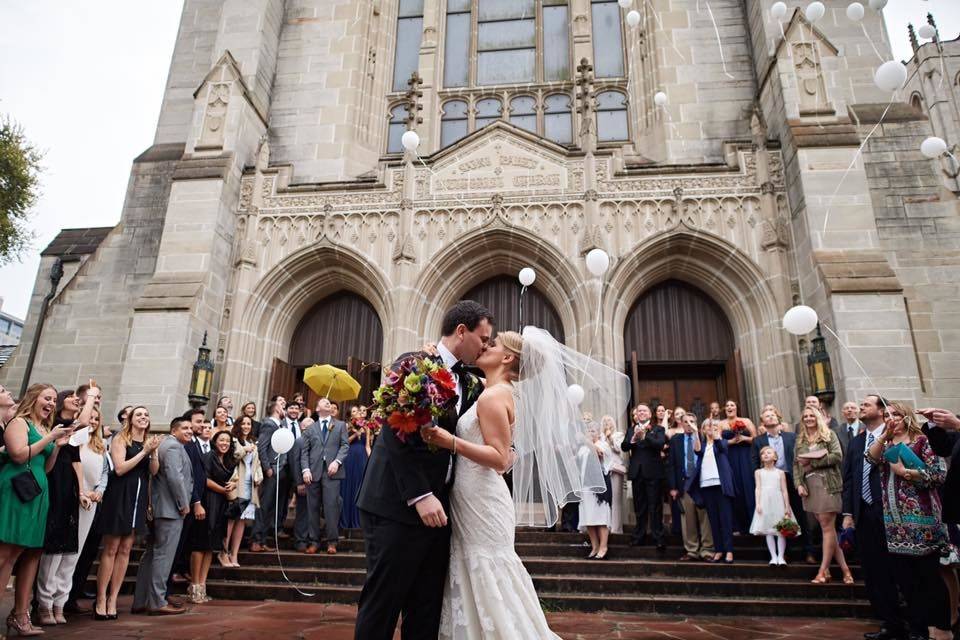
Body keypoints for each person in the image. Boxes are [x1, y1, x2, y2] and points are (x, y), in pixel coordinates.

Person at [422, 327, 625, 639]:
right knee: (480, 569)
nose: (485, 347)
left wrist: (450, 441)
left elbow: (500, 458)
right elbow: (508, 455)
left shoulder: (493, 396)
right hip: (474, 495)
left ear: (506, 357)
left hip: (481, 498)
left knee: (488, 570)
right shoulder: (493, 391)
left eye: (493, 344)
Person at [354, 300, 493, 640]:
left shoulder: (472, 383)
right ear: (461, 331)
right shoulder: (413, 364)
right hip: (397, 505)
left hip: (442, 511)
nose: (486, 346)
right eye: (483, 338)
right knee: (383, 603)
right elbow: (396, 432)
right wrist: (420, 494)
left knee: (426, 608)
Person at [867, 401, 952, 640]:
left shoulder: (922, 440)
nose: (890, 418)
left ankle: (942, 628)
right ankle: (918, 630)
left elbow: (938, 474)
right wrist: (884, 436)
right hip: (894, 525)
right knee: (906, 582)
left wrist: (906, 472)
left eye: (895, 414)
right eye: (886, 415)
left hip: (922, 522)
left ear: (906, 417)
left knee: (929, 580)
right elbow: (870, 459)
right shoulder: (885, 444)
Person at [0, 384, 74, 636]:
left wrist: (58, 445)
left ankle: (19, 617)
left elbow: (48, 466)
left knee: (19, 554)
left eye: (54, 400)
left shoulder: (44, 428)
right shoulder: (20, 423)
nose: (52, 403)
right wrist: (50, 438)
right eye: (48, 398)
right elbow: (19, 455)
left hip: (38, 493)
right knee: (4, 555)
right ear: (34, 398)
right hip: (16, 490)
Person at [842, 394, 908, 640]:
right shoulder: (857, 443)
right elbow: (849, 479)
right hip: (864, 513)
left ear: (882, 411)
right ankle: (890, 623)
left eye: (866, 404)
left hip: (891, 511)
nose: (861, 407)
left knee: (899, 568)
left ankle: (915, 622)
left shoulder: (895, 436)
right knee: (874, 571)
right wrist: (848, 513)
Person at [35, 385, 100, 624]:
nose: (76, 400)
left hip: (68, 484)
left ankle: (58, 603)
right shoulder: (55, 424)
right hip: (52, 480)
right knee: (52, 548)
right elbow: (82, 422)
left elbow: (76, 460)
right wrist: (91, 396)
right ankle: (42, 603)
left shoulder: (73, 431)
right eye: (72, 397)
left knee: (68, 549)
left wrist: (82, 488)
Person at [95, 406, 161, 620]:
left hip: (139, 498)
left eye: (146, 415)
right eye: (139, 414)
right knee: (111, 548)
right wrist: (143, 451)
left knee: (125, 549)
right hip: (120, 494)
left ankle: (113, 597)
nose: (143, 417)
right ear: (130, 419)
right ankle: (101, 598)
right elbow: (120, 468)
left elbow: (154, 471)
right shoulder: (120, 438)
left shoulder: (148, 442)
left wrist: (153, 452)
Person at [131, 418, 193, 616]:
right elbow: (175, 476)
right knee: (163, 557)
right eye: (185, 428)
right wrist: (183, 503)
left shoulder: (165, 444)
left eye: (191, 428)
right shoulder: (173, 447)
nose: (190, 431)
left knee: (150, 556)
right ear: (174, 430)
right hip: (169, 510)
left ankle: (141, 601)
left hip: (159, 509)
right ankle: (157, 602)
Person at [794, 406, 852, 585]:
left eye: (812, 415)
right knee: (829, 529)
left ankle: (822, 571)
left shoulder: (829, 435)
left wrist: (813, 462)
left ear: (818, 417)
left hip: (828, 484)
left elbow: (837, 456)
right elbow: (796, 465)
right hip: (810, 487)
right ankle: (845, 570)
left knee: (827, 527)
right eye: (806, 416)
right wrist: (799, 485)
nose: (809, 418)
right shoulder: (800, 439)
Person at [751, 407, 814, 563]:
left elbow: (799, 460)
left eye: (773, 415)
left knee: (799, 515)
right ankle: (784, 552)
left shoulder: (791, 437)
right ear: (763, 422)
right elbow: (754, 463)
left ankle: (809, 551)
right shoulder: (758, 441)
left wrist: (801, 481)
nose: (770, 418)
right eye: (767, 416)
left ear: (778, 419)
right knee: (776, 517)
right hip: (770, 482)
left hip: (791, 479)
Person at [189, 430, 236, 604]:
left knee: (211, 546)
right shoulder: (208, 457)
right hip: (207, 501)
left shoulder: (229, 460)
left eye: (228, 441)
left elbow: (232, 477)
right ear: (215, 442)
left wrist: (233, 483)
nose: (225, 443)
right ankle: (194, 585)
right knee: (200, 544)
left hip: (221, 505)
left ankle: (202, 584)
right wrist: (222, 489)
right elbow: (204, 480)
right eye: (222, 440)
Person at [301, 397, 349, 554]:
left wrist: (337, 462)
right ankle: (314, 541)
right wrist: (305, 470)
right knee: (312, 508)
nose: (327, 403)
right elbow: (304, 452)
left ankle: (332, 542)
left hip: (332, 472)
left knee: (331, 507)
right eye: (323, 402)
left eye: (329, 402)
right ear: (317, 409)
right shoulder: (311, 428)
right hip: (313, 473)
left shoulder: (340, 425)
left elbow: (345, 445)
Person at [667, 413, 714, 562]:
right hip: (685, 483)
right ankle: (692, 550)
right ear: (681, 424)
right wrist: (673, 487)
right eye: (686, 422)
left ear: (696, 423)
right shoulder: (676, 440)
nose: (689, 424)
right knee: (688, 519)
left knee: (705, 517)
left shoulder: (704, 438)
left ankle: (707, 550)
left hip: (702, 482)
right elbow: (672, 464)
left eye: (692, 421)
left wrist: (696, 434)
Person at [620, 404, 667, 551]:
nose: (641, 412)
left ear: (649, 414)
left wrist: (645, 436)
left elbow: (659, 444)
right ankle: (639, 536)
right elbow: (624, 446)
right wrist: (634, 438)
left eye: (644, 410)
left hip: (653, 473)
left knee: (655, 506)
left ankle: (658, 537)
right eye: (639, 410)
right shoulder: (630, 429)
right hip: (637, 473)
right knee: (639, 507)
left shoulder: (658, 429)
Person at [689, 419, 736, 563]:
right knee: (713, 520)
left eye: (714, 426)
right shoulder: (703, 445)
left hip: (721, 486)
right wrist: (695, 431)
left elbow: (722, 448)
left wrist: (716, 433)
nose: (711, 428)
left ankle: (729, 550)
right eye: (708, 427)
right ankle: (719, 550)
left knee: (726, 519)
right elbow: (696, 450)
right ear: (703, 430)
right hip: (706, 486)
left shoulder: (721, 442)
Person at [225, 415, 261, 567]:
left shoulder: (253, 442)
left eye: (249, 424)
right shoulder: (233, 441)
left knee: (242, 521)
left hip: (250, 486)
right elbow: (232, 458)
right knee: (231, 520)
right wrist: (245, 450)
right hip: (237, 484)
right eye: (243, 423)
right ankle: (223, 552)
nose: (246, 426)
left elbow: (256, 463)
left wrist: (259, 475)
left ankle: (234, 555)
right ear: (238, 425)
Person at [251, 396, 286, 552]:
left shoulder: (279, 426)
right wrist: (267, 468)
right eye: (282, 406)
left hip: (278, 470)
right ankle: (256, 540)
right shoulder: (268, 425)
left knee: (271, 506)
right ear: (277, 409)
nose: (284, 408)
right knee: (264, 506)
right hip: (271, 470)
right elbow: (262, 447)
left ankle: (263, 540)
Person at [750, 446, 793, 565]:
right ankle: (773, 556)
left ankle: (781, 556)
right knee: (768, 530)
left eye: (768, 453)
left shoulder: (780, 473)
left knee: (780, 530)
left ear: (775, 457)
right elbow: (758, 488)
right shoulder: (758, 472)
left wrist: (787, 506)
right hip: (765, 501)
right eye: (763, 453)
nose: (765, 454)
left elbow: (784, 490)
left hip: (778, 501)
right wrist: (758, 503)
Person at [718, 399, 757, 534]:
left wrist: (745, 439)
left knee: (748, 487)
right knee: (735, 489)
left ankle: (754, 523)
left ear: (736, 408)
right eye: (727, 405)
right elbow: (718, 442)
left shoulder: (746, 421)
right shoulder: (721, 424)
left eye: (732, 405)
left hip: (745, 457)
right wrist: (732, 441)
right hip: (730, 458)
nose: (729, 407)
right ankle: (738, 525)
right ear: (725, 409)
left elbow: (756, 439)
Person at [578, 424, 612, 560]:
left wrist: (586, 441)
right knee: (588, 517)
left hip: (599, 488)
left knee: (600, 517)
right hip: (585, 486)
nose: (590, 433)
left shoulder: (602, 444)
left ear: (598, 433)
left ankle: (604, 547)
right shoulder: (582, 449)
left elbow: (599, 453)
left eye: (593, 430)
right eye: (588, 431)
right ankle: (595, 546)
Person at [340, 404, 371, 530]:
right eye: (354, 411)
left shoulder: (367, 427)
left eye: (358, 411)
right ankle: (345, 519)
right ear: (350, 415)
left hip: (361, 457)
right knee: (347, 486)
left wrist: (371, 460)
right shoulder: (346, 426)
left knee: (359, 486)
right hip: (349, 457)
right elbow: (343, 443)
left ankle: (357, 520)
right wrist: (354, 434)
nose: (358, 412)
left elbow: (367, 445)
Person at [600, 415, 626, 535]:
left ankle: (616, 528)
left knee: (616, 500)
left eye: (609, 421)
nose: (607, 423)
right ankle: (605, 526)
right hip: (603, 469)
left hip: (615, 469)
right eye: (604, 422)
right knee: (605, 499)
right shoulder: (600, 437)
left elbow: (618, 449)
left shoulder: (618, 435)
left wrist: (610, 437)